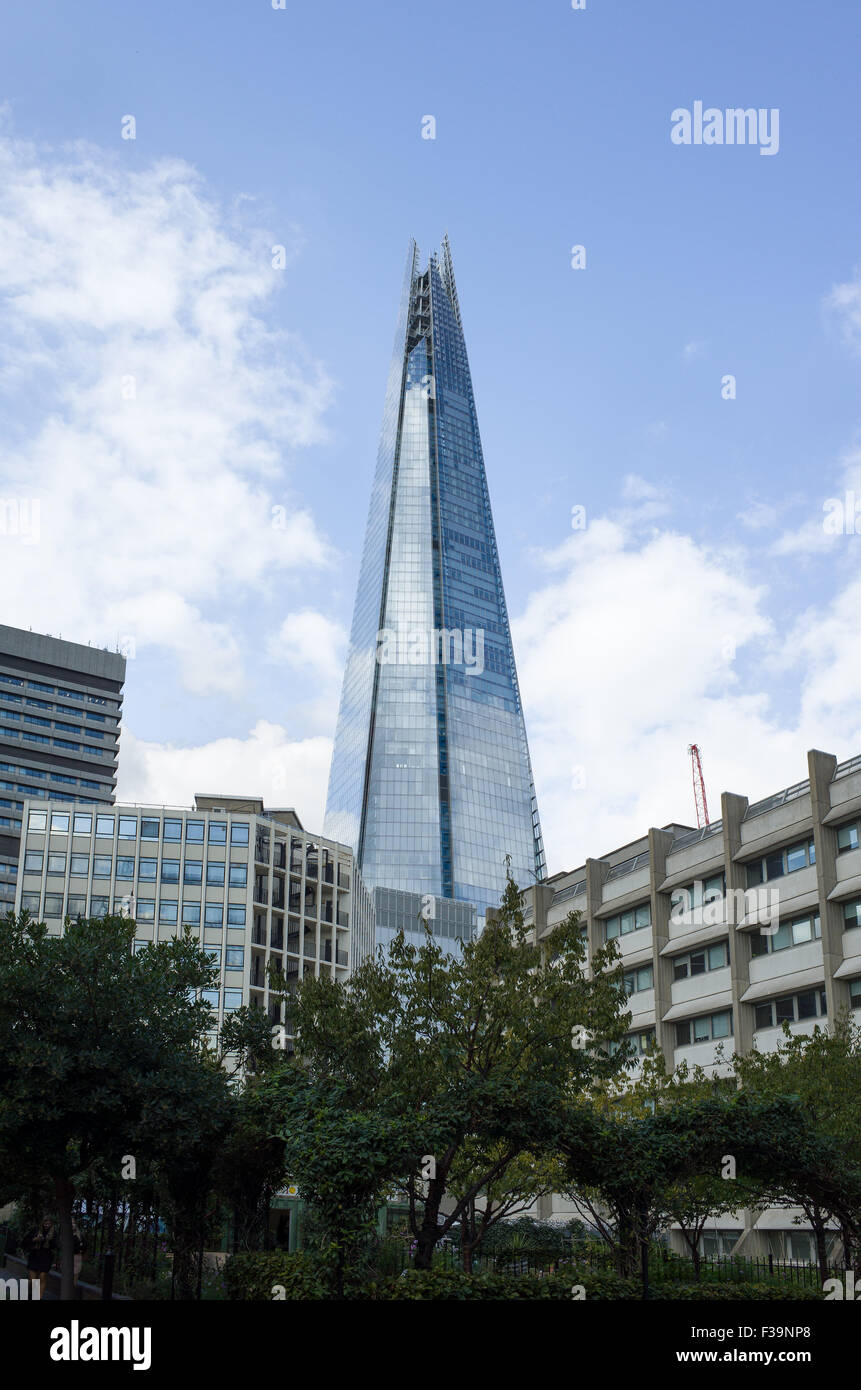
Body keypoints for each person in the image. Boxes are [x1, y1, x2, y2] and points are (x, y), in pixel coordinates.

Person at [24, 1217, 56, 1298]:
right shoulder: (35, 1230)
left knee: (42, 1277)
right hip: (34, 1256)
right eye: (45, 1223)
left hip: (46, 1257)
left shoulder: (53, 1233)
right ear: (42, 1223)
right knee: (32, 1280)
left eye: (49, 1224)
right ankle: (30, 1294)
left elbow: (55, 1246)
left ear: (51, 1224)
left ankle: (39, 1297)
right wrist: (35, 1239)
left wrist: (50, 1240)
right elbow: (25, 1242)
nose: (47, 1225)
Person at [72, 1221, 84, 1285]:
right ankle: (35, 1294)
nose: (72, 1224)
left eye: (74, 1223)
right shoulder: (66, 1235)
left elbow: (84, 1246)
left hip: (77, 1257)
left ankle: (72, 1292)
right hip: (68, 1257)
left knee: (75, 1276)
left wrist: (81, 1251)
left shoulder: (79, 1235)